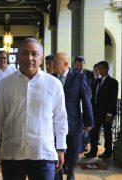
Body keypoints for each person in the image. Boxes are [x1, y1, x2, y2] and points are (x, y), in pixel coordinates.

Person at [0, 38, 68, 180]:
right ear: (17, 57)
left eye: (34, 54)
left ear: (41, 58)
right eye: (25, 53)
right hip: (12, 154)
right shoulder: (4, 85)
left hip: (43, 153)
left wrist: (60, 148)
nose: (29, 58)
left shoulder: (54, 84)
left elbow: (60, 118)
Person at [53, 52, 94, 180]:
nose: (53, 65)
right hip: (54, 124)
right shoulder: (51, 78)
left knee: (72, 154)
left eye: (56, 62)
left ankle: (70, 174)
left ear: (65, 64)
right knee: (56, 153)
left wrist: (89, 122)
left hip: (73, 123)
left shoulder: (79, 78)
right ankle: (58, 175)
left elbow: (86, 99)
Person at [84, 61, 118, 159]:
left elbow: (113, 99)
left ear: (107, 69)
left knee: (107, 133)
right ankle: (93, 151)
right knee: (94, 132)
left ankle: (108, 152)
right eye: (99, 69)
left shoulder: (113, 82)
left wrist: (110, 114)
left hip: (107, 113)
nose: (100, 70)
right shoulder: (96, 81)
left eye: (102, 68)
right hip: (96, 112)